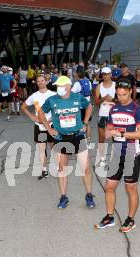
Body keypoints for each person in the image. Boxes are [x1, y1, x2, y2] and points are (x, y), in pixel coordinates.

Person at [94, 79, 140, 233]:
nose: (121, 97)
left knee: (130, 188)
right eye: (118, 94)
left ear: (130, 91)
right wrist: (110, 131)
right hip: (117, 152)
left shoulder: (137, 110)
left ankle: (130, 220)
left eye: (124, 94)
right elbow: (109, 129)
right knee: (109, 186)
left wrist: (123, 133)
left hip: (132, 153)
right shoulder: (114, 109)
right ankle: (109, 217)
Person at [38, 76, 95, 209]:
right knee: (62, 168)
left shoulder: (77, 97)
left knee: (85, 167)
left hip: (78, 136)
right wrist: (49, 128)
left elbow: (89, 106)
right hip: (60, 137)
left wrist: (85, 122)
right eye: (57, 86)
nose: (58, 88)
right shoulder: (52, 100)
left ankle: (89, 195)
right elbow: (40, 113)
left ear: (68, 86)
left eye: (61, 86)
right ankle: (63, 197)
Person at [21, 75, 56, 180]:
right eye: (38, 81)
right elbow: (23, 106)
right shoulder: (34, 96)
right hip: (39, 126)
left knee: (54, 147)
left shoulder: (53, 95)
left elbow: (59, 108)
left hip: (51, 125)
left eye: (42, 80)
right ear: (36, 83)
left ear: (46, 82)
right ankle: (44, 170)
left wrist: (54, 119)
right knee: (42, 149)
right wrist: (31, 116)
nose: (40, 82)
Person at [94, 67, 116, 167]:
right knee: (101, 138)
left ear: (111, 74)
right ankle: (102, 159)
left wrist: (113, 100)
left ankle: (115, 159)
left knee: (115, 138)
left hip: (114, 116)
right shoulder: (99, 86)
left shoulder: (116, 86)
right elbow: (96, 102)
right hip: (102, 115)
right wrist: (103, 98)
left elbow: (122, 99)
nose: (105, 76)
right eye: (104, 74)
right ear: (102, 75)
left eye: (107, 74)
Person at [71, 66, 93, 144]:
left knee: (79, 123)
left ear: (77, 74)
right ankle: (88, 140)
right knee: (87, 123)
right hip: (88, 106)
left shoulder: (77, 84)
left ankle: (80, 141)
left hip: (80, 107)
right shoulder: (89, 82)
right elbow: (90, 93)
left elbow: (71, 94)